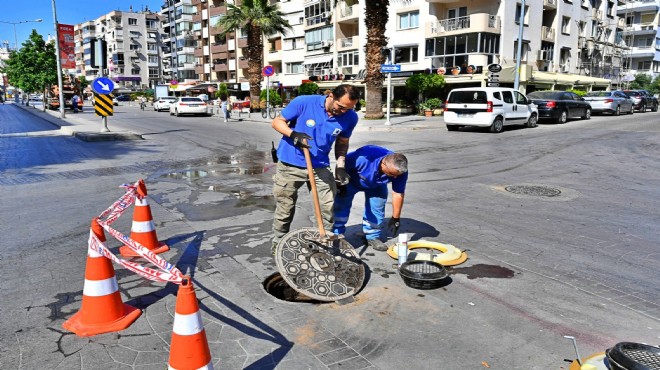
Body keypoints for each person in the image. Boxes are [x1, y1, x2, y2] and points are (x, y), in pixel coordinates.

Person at [271, 84, 360, 254]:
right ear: (331, 95)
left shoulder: (350, 117)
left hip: (319, 165)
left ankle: (323, 241)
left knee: (327, 205)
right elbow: (277, 122)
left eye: (348, 109)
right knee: (286, 206)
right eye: (340, 107)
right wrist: (293, 134)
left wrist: (340, 166)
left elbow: (342, 143)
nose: (343, 112)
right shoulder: (304, 102)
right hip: (290, 164)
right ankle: (278, 242)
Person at [332, 145, 408, 251]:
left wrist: (396, 218)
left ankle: (372, 236)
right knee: (341, 206)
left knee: (377, 207)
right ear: (383, 164)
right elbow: (341, 165)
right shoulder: (362, 158)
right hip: (352, 181)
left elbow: (398, 194)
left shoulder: (399, 171)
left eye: (396, 175)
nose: (394, 177)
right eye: (391, 174)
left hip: (377, 184)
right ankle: (336, 235)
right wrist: (340, 185)